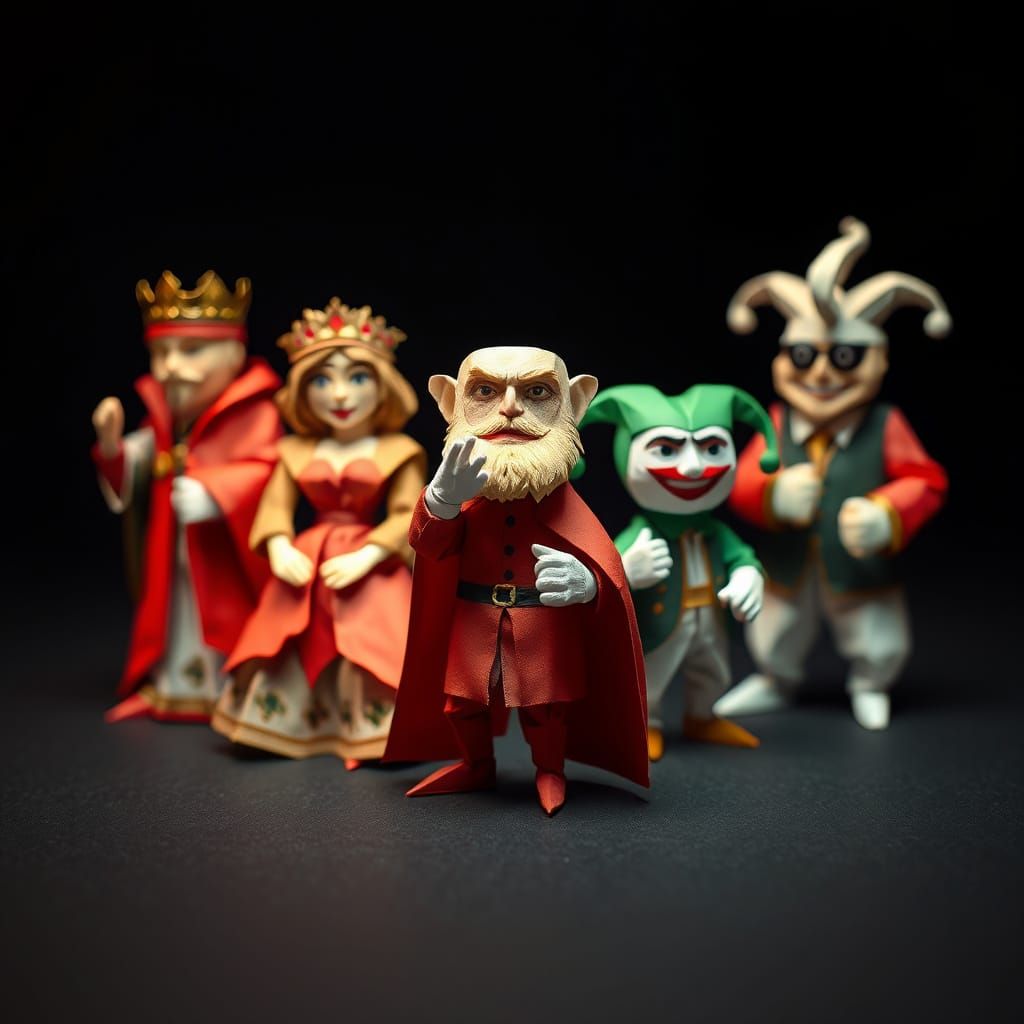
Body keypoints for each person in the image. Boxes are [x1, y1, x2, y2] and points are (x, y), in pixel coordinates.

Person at [384, 346, 649, 815]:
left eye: (537, 392)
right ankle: (476, 765)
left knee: (545, 709)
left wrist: (588, 582)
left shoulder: (564, 504)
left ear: (575, 403)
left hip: (540, 625)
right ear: (450, 403)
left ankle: (550, 769)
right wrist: (442, 499)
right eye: (485, 391)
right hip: (474, 621)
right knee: (460, 704)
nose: (509, 408)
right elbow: (430, 549)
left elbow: (605, 569)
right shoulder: (462, 493)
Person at [719, 217, 949, 730]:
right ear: (782, 361)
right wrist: (773, 496)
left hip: (861, 573)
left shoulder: (885, 424)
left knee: (876, 634)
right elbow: (742, 480)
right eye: (803, 356)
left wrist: (887, 514)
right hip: (788, 570)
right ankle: (776, 679)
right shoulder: (777, 422)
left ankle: (870, 682)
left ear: (879, 361)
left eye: (845, 357)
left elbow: (926, 481)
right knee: (775, 631)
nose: (821, 373)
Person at [213, 298, 425, 765]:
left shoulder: (401, 450)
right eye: (322, 381)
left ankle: (376, 731)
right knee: (291, 634)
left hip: (370, 562)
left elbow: (408, 514)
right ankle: (280, 723)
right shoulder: (295, 451)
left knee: (372, 637)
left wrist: (369, 555)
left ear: (383, 385)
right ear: (303, 390)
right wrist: (279, 546)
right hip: (308, 561)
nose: (340, 396)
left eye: (358, 378)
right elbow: (275, 507)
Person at [92, 270, 281, 722]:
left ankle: (230, 691)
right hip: (171, 547)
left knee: (222, 614)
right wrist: (113, 448)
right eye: (161, 353)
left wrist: (215, 493)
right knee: (175, 615)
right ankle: (173, 686)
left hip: (223, 554)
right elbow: (140, 464)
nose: (171, 367)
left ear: (235, 353)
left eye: (192, 350)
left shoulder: (255, 412)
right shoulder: (165, 416)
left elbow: (270, 471)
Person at [579, 383, 779, 759]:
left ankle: (702, 715)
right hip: (659, 623)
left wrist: (748, 577)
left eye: (712, 449)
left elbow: (742, 557)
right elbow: (604, 575)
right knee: (650, 676)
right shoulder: (640, 536)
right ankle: (647, 722)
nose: (692, 467)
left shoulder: (715, 531)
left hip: (711, 619)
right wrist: (627, 572)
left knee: (713, 670)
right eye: (667, 450)